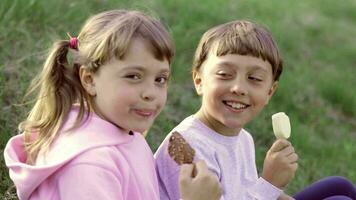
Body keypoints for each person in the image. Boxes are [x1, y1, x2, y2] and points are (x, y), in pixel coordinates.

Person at [4, 9, 221, 200]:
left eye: (160, 79)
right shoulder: (90, 166)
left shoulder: (119, 129)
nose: (150, 93)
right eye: (133, 76)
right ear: (89, 79)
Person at [154, 20, 356, 200]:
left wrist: (276, 194)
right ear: (199, 81)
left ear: (270, 91)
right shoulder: (185, 148)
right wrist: (270, 183)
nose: (239, 88)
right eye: (224, 74)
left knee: (340, 186)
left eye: (255, 79)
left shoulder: (243, 138)